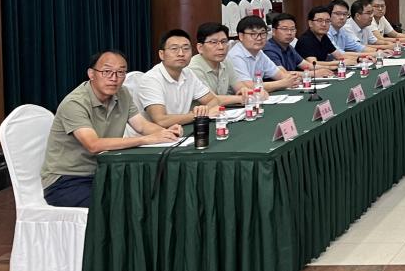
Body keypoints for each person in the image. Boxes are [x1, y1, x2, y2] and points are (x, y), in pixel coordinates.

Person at [40, 51, 181, 208]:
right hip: (66, 181)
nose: (114, 78)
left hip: (103, 172)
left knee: (149, 192)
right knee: (121, 205)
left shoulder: (122, 93)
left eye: (120, 72)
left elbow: (142, 125)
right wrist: (145, 140)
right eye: (107, 71)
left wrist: (166, 132)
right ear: (91, 74)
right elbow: (93, 145)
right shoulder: (75, 103)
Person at [138, 29, 221, 128]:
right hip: (155, 134)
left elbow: (213, 100)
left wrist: (203, 110)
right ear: (161, 54)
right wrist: (198, 115)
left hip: (181, 129)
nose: (181, 53)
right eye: (174, 49)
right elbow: (161, 120)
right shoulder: (151, 79)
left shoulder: (188, 73)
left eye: (186, 48)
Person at [227, 15, 301, 91]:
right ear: (241, 36)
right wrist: (283, 83)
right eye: (253, 34)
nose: (259, 38)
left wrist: (292, 80)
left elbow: (280, 75)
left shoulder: (259, 53)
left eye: (262, 33)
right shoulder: (236, 55)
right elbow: (248, 86)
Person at [188, 23, 254, 106]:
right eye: (213, 42)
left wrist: (244, 91)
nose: (221, 47)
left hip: (223, 111)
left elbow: (239, 86)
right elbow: (211, 100)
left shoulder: (225, 61)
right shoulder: (193, 68)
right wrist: (241, 98)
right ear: (200, 48)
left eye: (224, 41)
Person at [265, 13, 334, 76]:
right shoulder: (269, 49)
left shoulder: (289, 48)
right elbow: (282, 73)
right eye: (284, 29)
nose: (289, 33)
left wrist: (330, 68)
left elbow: (307, 65)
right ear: (273, 31)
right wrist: (313, 73)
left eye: (292, 29)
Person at [297, 5, 361, 66]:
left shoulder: (324, 37)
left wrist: (359, 59)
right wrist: (340, 63)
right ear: (310, 23)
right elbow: (314, 63)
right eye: (320, 20)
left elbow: (339, 56)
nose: (324, 24)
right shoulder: (305, 40)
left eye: (327, 21)